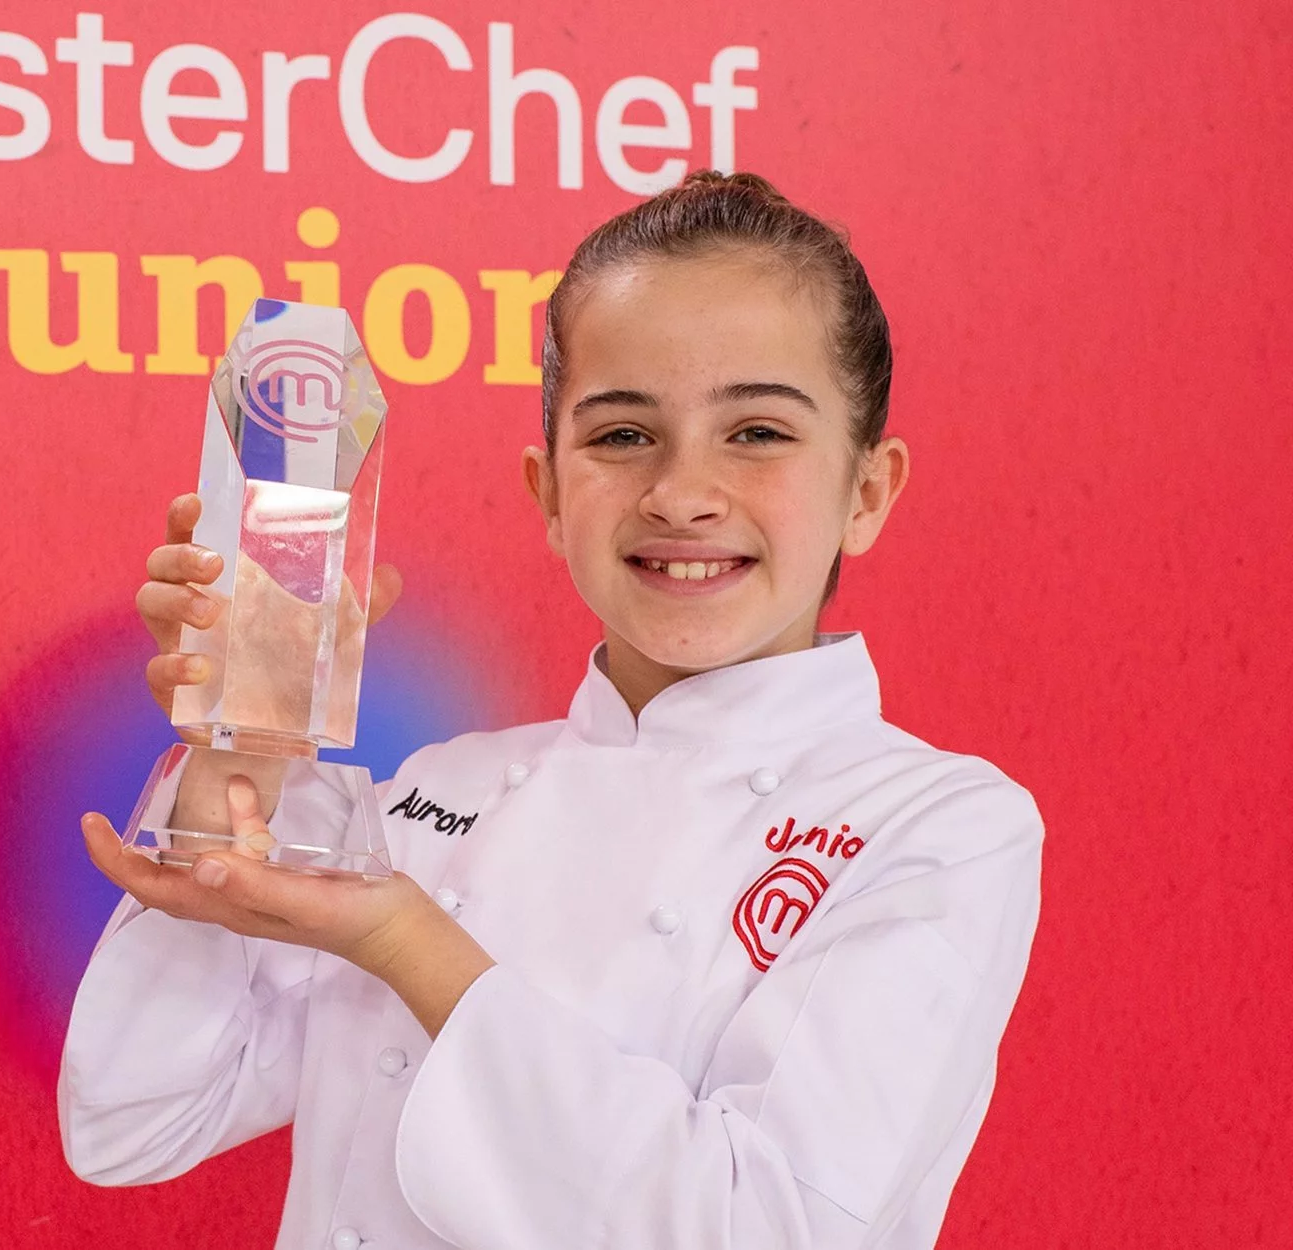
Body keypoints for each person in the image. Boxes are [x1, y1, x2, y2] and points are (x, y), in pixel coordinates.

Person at [58, 170, 1045, 1250]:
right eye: (621, 435)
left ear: (866, 490)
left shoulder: (938, 826)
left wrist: (409, 943)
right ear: (548, 493)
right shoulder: (435, 791)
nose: (681, 493)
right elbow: (132, 1121)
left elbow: (760, 1226)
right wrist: (239, 746)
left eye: (758, 431)